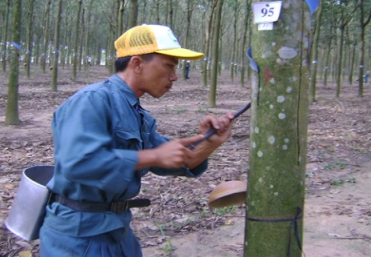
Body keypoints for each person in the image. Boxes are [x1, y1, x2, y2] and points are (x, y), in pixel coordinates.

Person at [39, 24, 234, 257]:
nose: (174, 76)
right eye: (169, 66)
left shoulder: (136, 112)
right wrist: (153, 155)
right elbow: (77, 163)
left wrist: (210, 141)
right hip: (79, 237)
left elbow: (177, 160)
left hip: (117, 230)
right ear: (137, 64)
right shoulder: (92, 101)